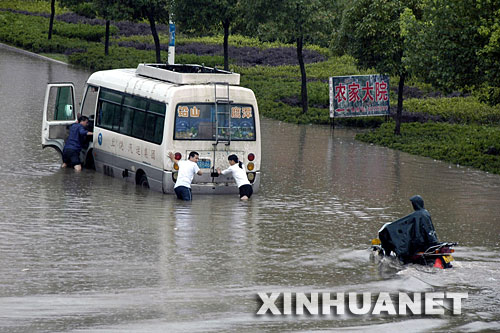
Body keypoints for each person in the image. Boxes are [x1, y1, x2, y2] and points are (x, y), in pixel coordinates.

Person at [378, 195, 439, 263]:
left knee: (403, 250)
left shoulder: (418, 215)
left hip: (421, 243)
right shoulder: (425, 213)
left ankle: (402, 261)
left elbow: (403, 221)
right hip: (429, 241)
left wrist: (390, 227)